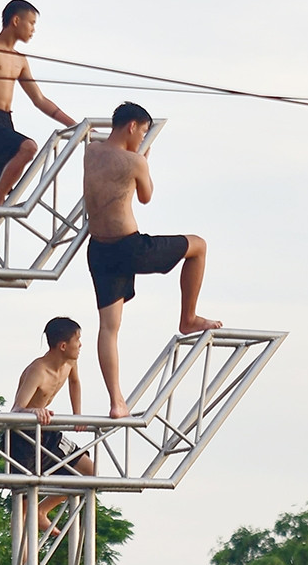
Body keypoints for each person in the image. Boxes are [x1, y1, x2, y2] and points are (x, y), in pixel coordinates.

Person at [83, 101, 220, 419]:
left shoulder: (90, 151)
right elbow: (145, 197)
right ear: (132, 127)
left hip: (99, 249)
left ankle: (117, 402)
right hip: (131, 248)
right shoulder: (134, 162)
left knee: (109, 328)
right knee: (199, 246)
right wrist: (144, 160)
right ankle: (188, 318)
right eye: (143, 132)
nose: (143, 138)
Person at [0, 0, 75, 261]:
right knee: (28, 148)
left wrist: (73, 125)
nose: (33, 30)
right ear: (16, 21)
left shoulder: (20, 60)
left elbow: (39, 100)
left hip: (6, 123)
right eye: (31, 23)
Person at [8, 316, 96, 525]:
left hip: (46, 432)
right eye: (77, 340)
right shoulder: (38, 371)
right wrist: (33, 411)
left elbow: (74, 383)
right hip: (23, 436)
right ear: (63, 346)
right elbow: (17, 408)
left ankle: (42, 510)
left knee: (89, 472)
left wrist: (77, 415)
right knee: (23, 500)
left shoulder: (70, 362)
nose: (81, 345)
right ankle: (22, 543)